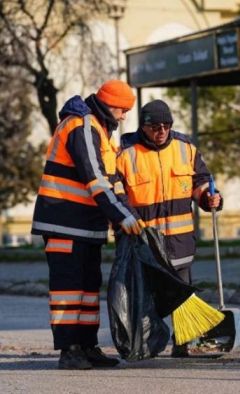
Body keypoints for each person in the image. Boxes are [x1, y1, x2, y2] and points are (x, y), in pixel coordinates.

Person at [32, 80, 143, 370]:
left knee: (88, 287)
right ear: (110, 105)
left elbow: (113, 181)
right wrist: (121, 217)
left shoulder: (101, 132)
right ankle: (69, 350)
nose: (124, 117)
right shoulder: (82, 126)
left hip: (86, 226)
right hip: (63, 222)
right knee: (68, 288)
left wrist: (128, 213)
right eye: (123, 110)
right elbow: (95, 179)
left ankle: (87, 346)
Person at [115, 99, 222, 357]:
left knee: (181, 295)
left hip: (179, 240)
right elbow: (117, 195)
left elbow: (201, 180)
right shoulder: (125, 153)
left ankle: (183, 342)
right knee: (145, 297)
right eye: (155, 126)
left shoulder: (186, 147)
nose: (161, 131)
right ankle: (142, 345)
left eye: (167, 125)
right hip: (145, 244)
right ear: (144, 126)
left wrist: (209, 198)